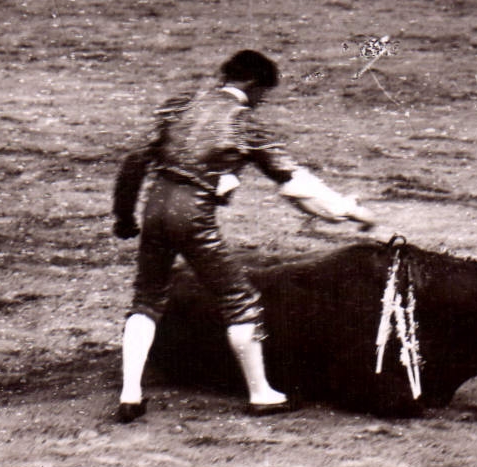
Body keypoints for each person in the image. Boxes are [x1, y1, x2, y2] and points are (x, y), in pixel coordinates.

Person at [111, 50, 377, 422]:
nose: (261, 101)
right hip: (193, 214)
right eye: (263, 94)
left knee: (147, 297)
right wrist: (348, 210)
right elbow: (293, 181)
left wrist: (124, 215)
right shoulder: (245, 124)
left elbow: (134, 162)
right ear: (253, 84)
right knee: (239, 300)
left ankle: (130, 394)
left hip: (155, 206)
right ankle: (261, 394)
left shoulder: (179, 106)